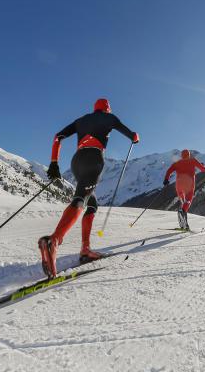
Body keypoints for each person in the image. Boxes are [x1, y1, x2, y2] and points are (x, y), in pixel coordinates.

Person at [39, 98, 139, 278]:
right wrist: (135, 137)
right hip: (94, 159)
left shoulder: (81, 120)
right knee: (81, 199)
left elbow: (58, 137)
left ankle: (85, 249)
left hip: (77, 162)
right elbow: (131, 135)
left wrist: (54, 163)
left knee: (91, 204)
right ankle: (54, 240)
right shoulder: (110, 118)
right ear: (107, 109)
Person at [163, 149, 205, 230]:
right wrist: (203, 165)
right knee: (188, 201)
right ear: (189, 155)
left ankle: (184, 225)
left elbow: (169, 171)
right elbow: (203, 169)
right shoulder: (193, 160)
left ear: (182, 156)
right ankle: (182, 213)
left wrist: (166, 180)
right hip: (189, 185)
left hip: (179, 185)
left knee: (183, 203)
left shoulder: (177, 163)